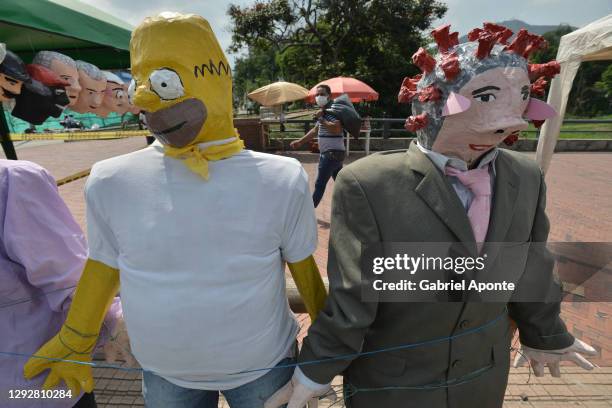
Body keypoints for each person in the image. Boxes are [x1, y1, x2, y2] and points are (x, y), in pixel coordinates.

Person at [266, 23, 597, 408]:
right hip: (394, 384)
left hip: (483, 378)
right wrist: (316, 370)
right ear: (435, 103)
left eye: (522, 95)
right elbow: (354, 294)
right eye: (486, 96)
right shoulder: (368, 184)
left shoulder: (525, 176)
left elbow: (531, 264)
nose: (512, 118)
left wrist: (546, 335)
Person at [25, 12, 327, 408]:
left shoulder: (281, 177)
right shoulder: (110, 180)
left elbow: (305, 271)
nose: (147, 98)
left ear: (214, 79)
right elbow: (102, 266)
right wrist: (75, 340)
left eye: (165, 82)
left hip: (263, 367)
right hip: (164, 373)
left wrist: (323, 358)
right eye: (141, 84)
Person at [0, 159, 129, 408]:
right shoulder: (12, 179)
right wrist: (117, 326)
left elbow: (69, 280)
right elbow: (69, 277)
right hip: (32, 384)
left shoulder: (11, 181)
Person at [290, 84, 345, 208]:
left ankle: (306, 212)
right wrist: (300, 141)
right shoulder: (324, 112)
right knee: (342, 184)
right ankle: (352, 205)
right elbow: (315, 131)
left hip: (331, 154)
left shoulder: (333, 111)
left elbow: (336, 129)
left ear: (329, 96)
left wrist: (321, 118)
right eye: (317, 94)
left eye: (322, 94)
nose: (319, 97)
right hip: (332, 154)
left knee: (319, 185)